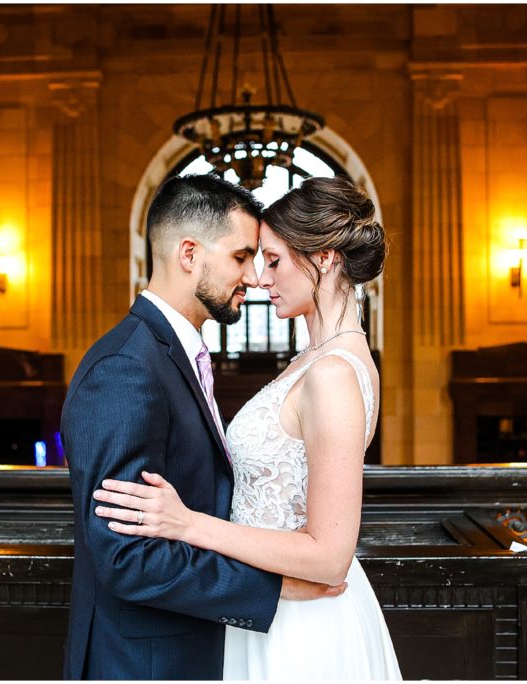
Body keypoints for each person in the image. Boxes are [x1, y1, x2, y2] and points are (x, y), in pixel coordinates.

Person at [93, 176, 403, 680]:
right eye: (254, 259)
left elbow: (329, 556)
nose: (261, 278)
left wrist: (188, 524)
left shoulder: (333, 374)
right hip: (262, 607)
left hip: (301, 625)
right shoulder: (318, 359)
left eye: (274, 260)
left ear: (324, 258)